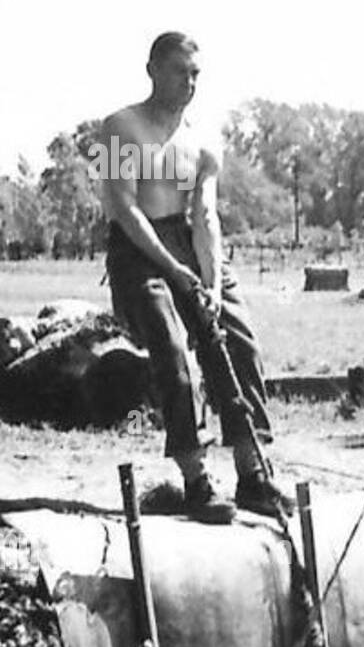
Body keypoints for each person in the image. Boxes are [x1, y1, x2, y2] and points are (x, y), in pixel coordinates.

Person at [98, 32, 292, 521]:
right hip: (138, 248)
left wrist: (207, 281)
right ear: (153, 71)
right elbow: (122, 208)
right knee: (172, 349)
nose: (190, 83)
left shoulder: (205, 139)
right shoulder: (119, 127)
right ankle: (197, 481)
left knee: (237, 341)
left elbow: (205, 215)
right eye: (181, 71)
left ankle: (253, 475)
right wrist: (176, 272)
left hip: (190, 243)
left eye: (197, 74)